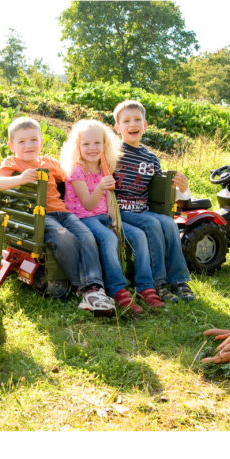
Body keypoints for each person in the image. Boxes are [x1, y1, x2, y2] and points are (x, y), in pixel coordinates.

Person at [0, 116, 116, 313]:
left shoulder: (49, 162)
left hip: (63, 212)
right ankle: (84, 288)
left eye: (34, 140)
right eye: (22, 141)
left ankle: (95, 288)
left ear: (41, 142)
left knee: (87, 236)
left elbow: (69, 177)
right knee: (64, 238)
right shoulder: (12, 162)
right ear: (11, 145)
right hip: (41, 217)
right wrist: (21, 179)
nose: (29, 145)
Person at [59, 119, 164, 313]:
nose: (92, 148)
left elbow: (110, 199)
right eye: (86, 144)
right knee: (108, 238)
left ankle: (145, 285)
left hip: (104, 217)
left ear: (105, 145)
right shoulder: (77, 170)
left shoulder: (104, 167)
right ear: (77, 147)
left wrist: (116, 220)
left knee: (138, 235)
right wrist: (101, 186)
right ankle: (117, 289)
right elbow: (88, 204)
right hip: (84, 218)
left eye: (97, 143)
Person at [112, 100, 196, 302]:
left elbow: (161, 191)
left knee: (169, 223)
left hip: (143, 209)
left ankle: (178, 280)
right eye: (126, 121)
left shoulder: (151, 159)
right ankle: (158, 283)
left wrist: (181, 188)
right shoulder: (113, 153)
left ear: (145, 125)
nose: (133, 124)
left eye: (137, 120)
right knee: (152, 224)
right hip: (120, 211)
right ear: (117, 127)